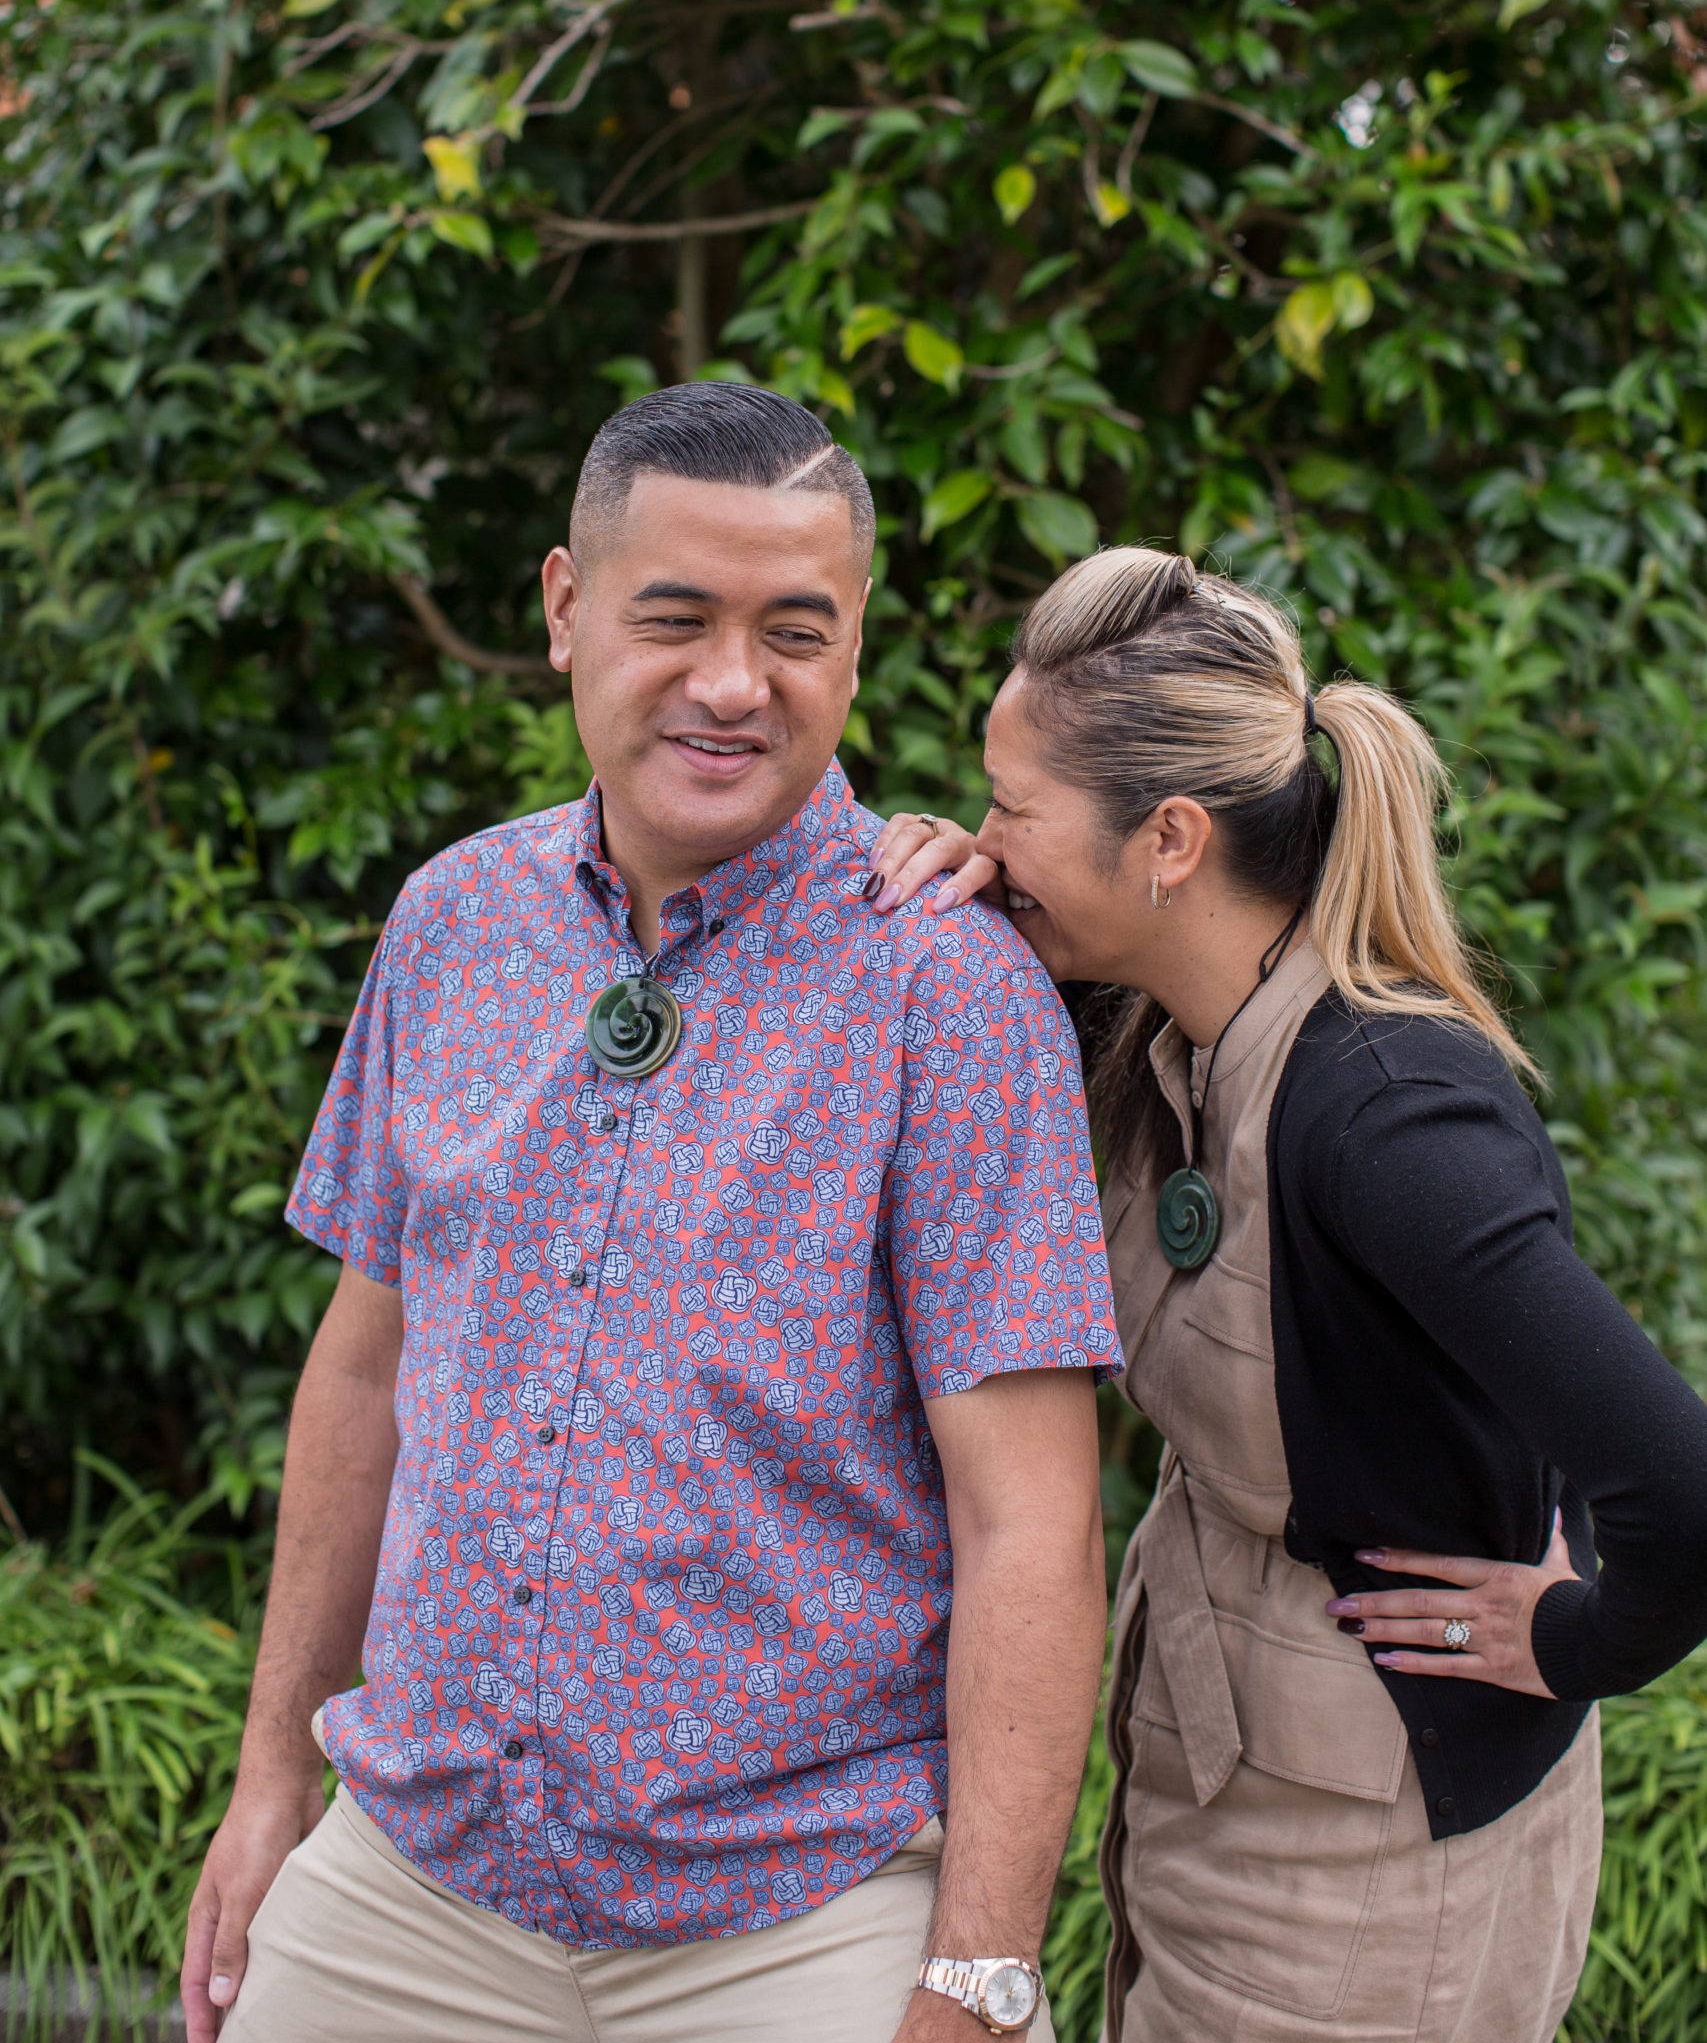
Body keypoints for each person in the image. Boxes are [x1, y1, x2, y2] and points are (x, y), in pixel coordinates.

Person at [180, 384, 1123, 2043]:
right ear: (564, 609)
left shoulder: (949, 997)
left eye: (793, 632)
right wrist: (271, 1787)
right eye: (673, 619)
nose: (731, 685)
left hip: (797, 1922)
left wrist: (974, 1976)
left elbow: (1030, 1524)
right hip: (410, 1888)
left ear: (854, 648)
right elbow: (360, 1376)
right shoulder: (451, 922)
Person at [864, 544, 1707, 2043]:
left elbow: (1681, 1486)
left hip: (1376, 1859)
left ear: (1171, 838)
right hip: (1226, 1786)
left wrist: (1579, 1641)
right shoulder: (1173, 1018)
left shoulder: (1390, 1121)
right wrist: (939, 868)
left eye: (1011, 806)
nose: (988, 838)